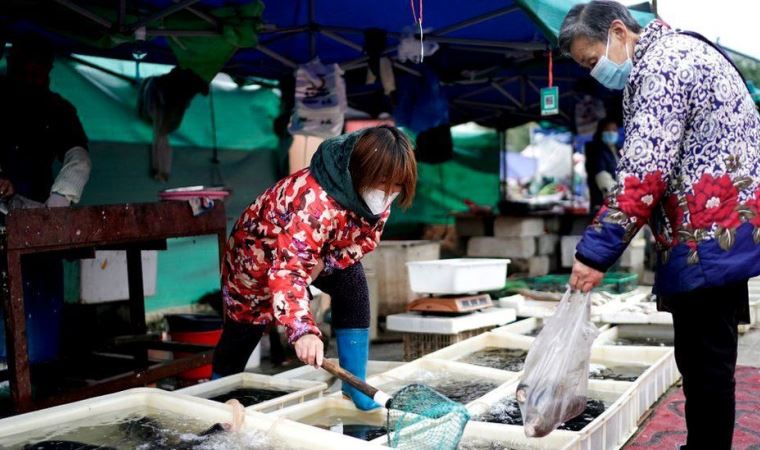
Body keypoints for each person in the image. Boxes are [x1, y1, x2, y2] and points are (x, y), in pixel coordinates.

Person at [560, 2, 760, 449]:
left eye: (593, 60)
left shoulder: (663, 65)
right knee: (706, 359)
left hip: (706, 237)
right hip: (719, 233)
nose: (595, 73)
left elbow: (643, 171)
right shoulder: (682, 52)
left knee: (706, 363)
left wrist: (594, 252)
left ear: (618, 31)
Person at [212, 126, 417, 410]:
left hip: (316, 253)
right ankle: (218, 394)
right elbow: (288, 271)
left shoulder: (376, 197)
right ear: (360, 172)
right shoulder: (314, 204)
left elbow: (368, 239)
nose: (388, 194)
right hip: (256, 259)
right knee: (245, 328)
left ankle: (356, 387)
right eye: (384, 183)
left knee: (353, 283)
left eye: (397, 186)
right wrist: (303, 330)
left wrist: (326, 262)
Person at [0, 34, 91, 363]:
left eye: (37, 74)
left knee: (37, 310)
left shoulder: (58, 109)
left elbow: (79, 158)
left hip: (37, 223)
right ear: (9, 66)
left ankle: (38, 376)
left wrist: (58, 204)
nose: (29, 80)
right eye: (23, 72)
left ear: (48, 72)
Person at [584, 118, 621, 211]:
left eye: (614, 130)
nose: (611, 133)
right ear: (601, 132)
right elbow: (601, 176)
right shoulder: (596, 150)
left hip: (615, 199)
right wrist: (619, 195)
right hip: (602, 201)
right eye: (608, 130)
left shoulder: (616, 150)